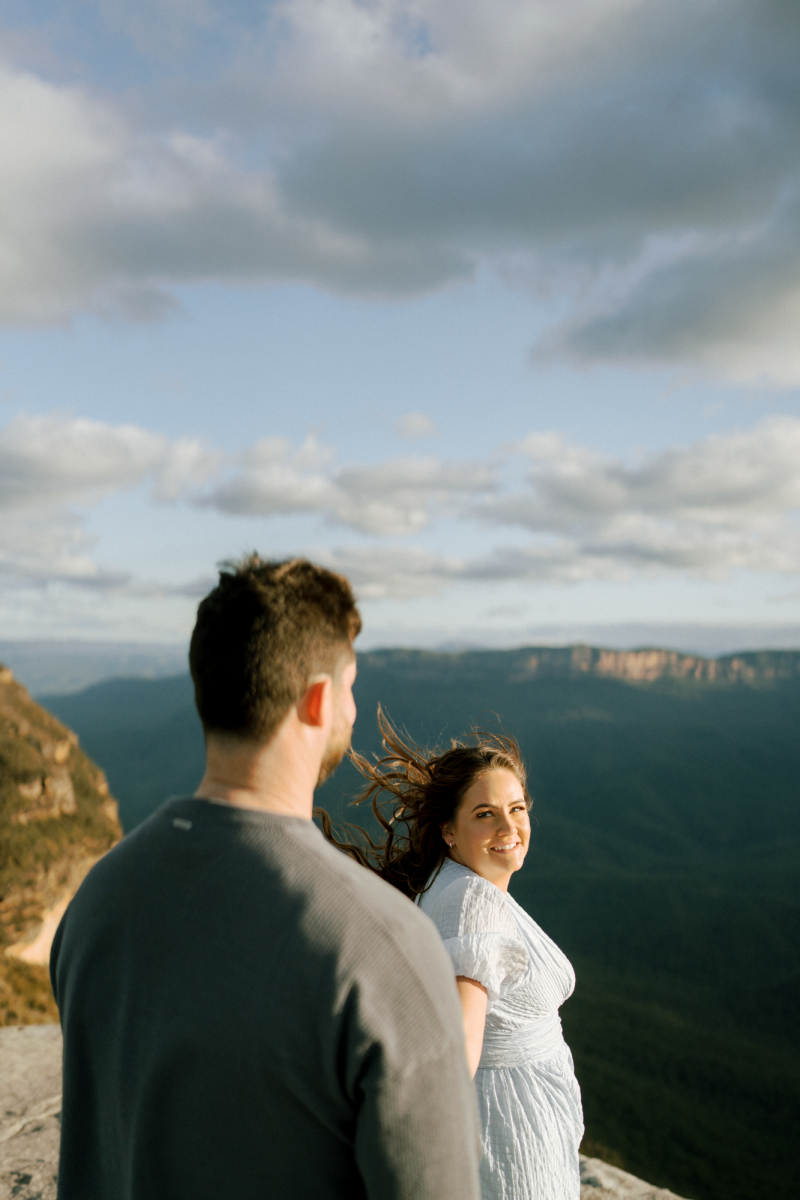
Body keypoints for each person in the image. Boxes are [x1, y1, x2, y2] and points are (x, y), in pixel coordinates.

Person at [50, 556, 481, 1200]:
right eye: (351, 686)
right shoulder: (383, 946)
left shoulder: (96, 901)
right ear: (317, 700)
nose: (354, 707)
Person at [320, 707, 584, 1200]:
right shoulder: (473, 902)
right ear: (448, 831)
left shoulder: (452, 883)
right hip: (514, 1144)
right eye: (484, 814)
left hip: (519, 1128)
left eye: (517, 808)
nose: (509, 826)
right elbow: (458, 1046)